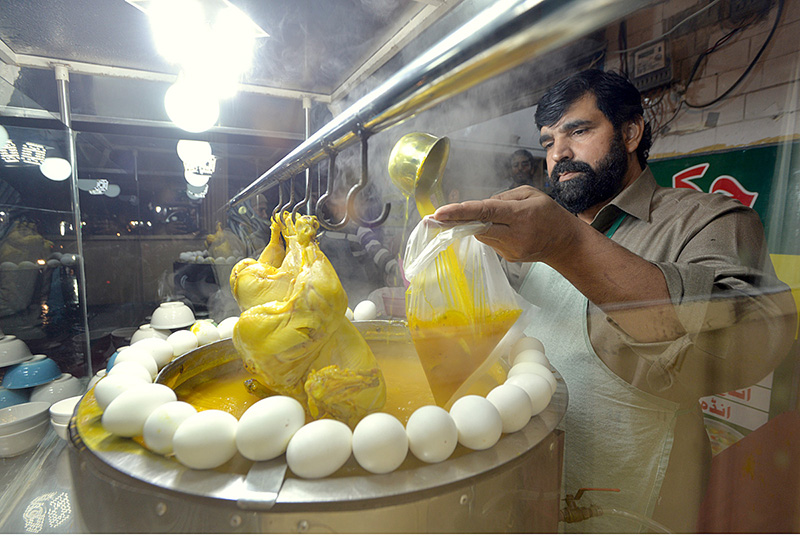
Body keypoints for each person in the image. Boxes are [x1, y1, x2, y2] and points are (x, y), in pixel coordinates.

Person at [433, 69, 797, 533]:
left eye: (578, 131)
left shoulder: (703, 220)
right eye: (547, 142)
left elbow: (747, 346)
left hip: (634, 499)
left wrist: (567, 245)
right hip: (533, 481)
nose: (558, 154)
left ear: (630, 132)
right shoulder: (540, 230)